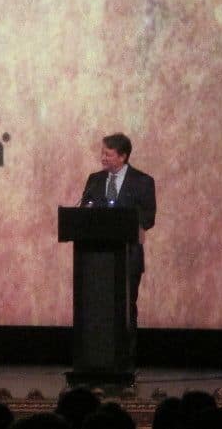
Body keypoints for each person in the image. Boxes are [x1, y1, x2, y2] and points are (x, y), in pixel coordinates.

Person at [79, 132, 156, 343]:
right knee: (98, 309)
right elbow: (85, 209)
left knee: (125, 307)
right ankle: (98, 352)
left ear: (123, 157)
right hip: (97, 259)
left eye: (108, 154)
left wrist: (124, 220)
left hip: (128, 256)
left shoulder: (143, 181)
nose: (103, 158)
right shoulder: (95, 180)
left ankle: (127, 353)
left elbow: (148, 218)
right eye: (102, 153)